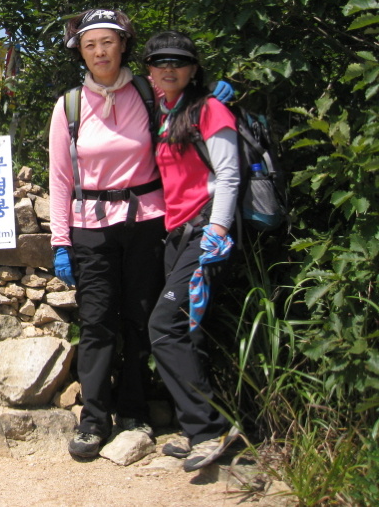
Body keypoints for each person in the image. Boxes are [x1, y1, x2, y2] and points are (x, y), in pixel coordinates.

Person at [48, 9, 166, 459]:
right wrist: (61, 241)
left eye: (108, 42)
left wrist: (214, 99)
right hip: (90, 227)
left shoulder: (150, 93)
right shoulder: (69, 105)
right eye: (90, 44)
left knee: (139, 317)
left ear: (123, 46)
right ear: (79, 51)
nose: (99, 52)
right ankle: (93, 419)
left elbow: (191, 108)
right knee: (97, 322)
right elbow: (60, 178)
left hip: (146, 219)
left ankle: (133, 411)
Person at [143, 32, 242, 472]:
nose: (169, 69)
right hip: (176, 234)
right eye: (160, 62)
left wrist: (217, 231)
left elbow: (228, 173)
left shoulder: (209, 108)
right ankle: (198, 426)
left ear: (194, 69)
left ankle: (208, 430)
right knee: (189, 332)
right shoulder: (164, 112)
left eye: (179, 63)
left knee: (164, 325)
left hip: (204, 231)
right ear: (149, 70)